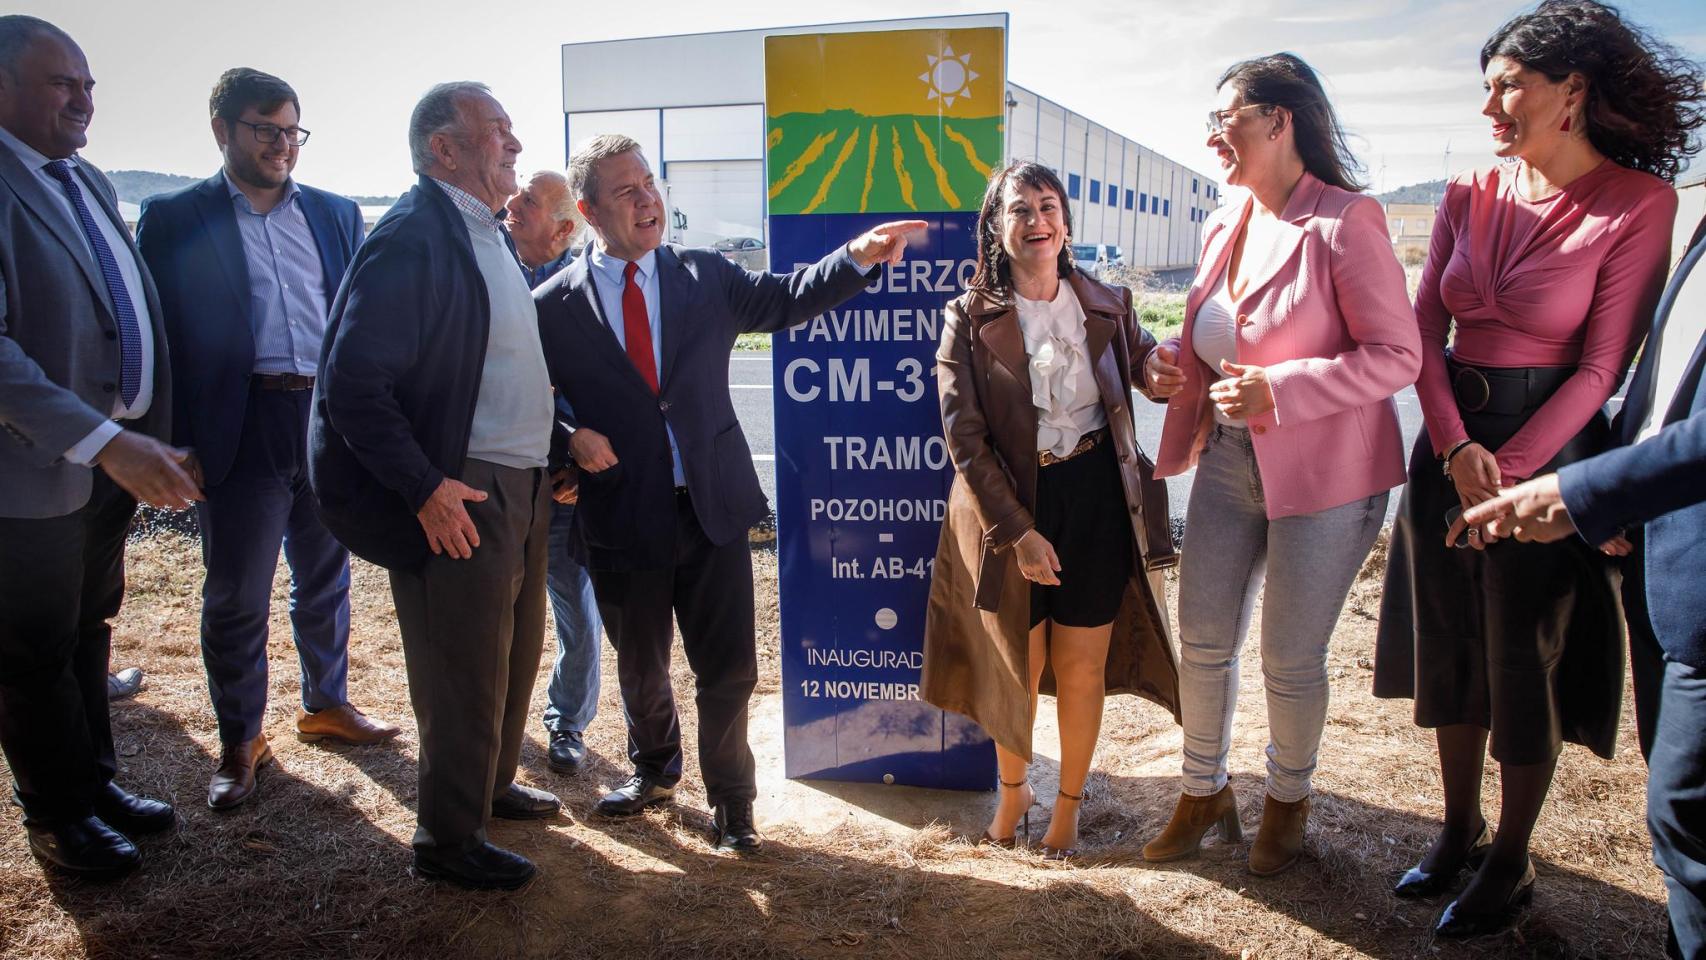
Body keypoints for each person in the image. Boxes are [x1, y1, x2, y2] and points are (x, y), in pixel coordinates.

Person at [1374, 0, 1694, 938]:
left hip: (1547, 453)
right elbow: (1422, 326)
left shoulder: (1641, 203)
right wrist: (1451, 446)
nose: (1491, 107)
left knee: (1522, 658)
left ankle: (1510, 860)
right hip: (1447, 444)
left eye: (1508, 83)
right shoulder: (1471, 187)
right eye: (1486, 88)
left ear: (1573, 91)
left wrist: (1508, 471)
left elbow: (1604, 366)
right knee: (1449, 641)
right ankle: (1457, 828)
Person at [535, 133, 923, 853]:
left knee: (728, 673)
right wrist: (568, 441)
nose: (648, 199)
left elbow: (784, 298)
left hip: (710, 510)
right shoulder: (551, 306)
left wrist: (857, 257)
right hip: (622, 515)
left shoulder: (703, 274)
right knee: (642, 667)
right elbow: (525, 397)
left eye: (650, 183)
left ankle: (733, 806)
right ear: (589, 210)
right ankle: (654, 770)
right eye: (627, 191)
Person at [1140, 53, 1420, 875]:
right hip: (1226, 462)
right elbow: (1217, 334)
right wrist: (1169, 360)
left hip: (1327, 477)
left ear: (1278, 119)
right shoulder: (1222, 220)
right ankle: (1203, 792)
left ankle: (1287, 806)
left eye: (1226, 115)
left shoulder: (1347, 221)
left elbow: (1398, 356)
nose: (1212, 133)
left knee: (1289, 659)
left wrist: (1283, 390)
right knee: (1202, 640)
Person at [309, 81, 559, 890]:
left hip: (518, 483)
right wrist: (423, 486)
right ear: (443, 149)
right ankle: (449, 840)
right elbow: (352, 384)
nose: (515, 144)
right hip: (463, 487)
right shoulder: (415, 233)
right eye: (498, 132)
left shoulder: (483, 229)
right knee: (464, 668)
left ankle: (488, 787)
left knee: (513, 654)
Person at [136, 67, 395, 814]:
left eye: (292, 131)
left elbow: (356, 321)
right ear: (222, 130)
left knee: (326, 577)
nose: (282, 145)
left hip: (324, 422)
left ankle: (327, 703)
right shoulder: (175, 217)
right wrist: (174, 439)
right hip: (237, 428)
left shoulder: (338, 214)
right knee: (237, 596)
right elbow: (163, 340)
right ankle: (239, 740)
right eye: (265, 129)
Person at [921, 160, 1181, 859]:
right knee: (1016, 665)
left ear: (1066, 220)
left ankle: (1067, 805)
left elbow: (1146, 367)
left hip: (1096, 499)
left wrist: (1157, 371)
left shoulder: (1107, 303)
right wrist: (1018, 534)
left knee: (1080, 666)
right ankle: (1015, 792)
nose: (1038, 222)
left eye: (1049, 207)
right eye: (1020, 210)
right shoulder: (968, 319)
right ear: (996, 228)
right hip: (1012, 508)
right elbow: (964, 440)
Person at [1464, 212, 1706, 960]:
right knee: (1682, 817)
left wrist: (1584, 489)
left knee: (1687, 812)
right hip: (1664, 546)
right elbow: (1667, 388)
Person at [0, 15, 192, 877]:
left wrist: (149, 432)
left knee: (86, 626)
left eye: (88, 85)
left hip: (109, 465)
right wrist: (106, 440)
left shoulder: (83, 181)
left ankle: (95, 782)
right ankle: (56, 814)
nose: (83, 100)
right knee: (31, 649)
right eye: (61, 84)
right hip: (32, 474)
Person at [506, 169, 600, 774]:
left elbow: (601, 391)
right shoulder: (493, 265)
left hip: (563, 482)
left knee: (574, 610)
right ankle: (501, 722)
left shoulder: (586, 288)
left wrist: (579, 468)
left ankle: (567, 723)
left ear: (565, 227)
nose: (512, 204)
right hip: (502, 477)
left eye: (529, 201)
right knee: (502, 611)